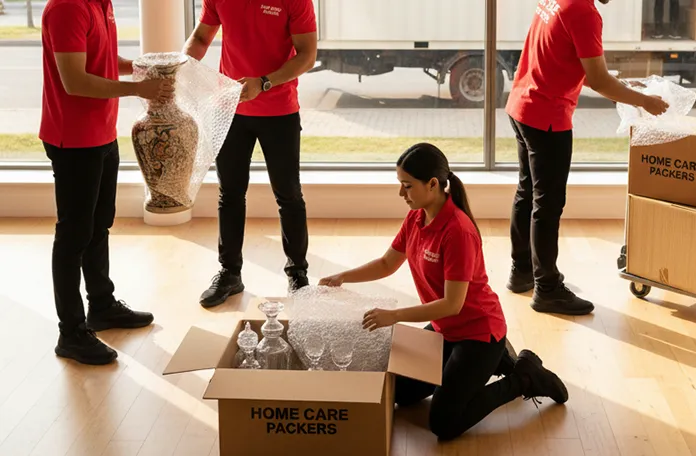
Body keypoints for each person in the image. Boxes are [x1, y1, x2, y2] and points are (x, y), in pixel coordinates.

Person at [319, 143, 568, 441]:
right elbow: (387, 263)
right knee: (401, 392)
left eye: (407, 186)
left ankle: (523, 378)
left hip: (476, 332)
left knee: (444, 423)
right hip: (445, 329)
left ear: (433, 184)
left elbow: (452, 304)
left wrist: (394, 316)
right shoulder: (417, 217)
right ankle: (499, 360)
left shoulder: (458, 231)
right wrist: (342, 277)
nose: (401, 193)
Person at [505, 0, 669, 316]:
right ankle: (547, 289)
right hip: (547, 117)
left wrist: (625, 87)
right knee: (547, 204)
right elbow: (599, 80)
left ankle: (522, 271)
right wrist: (644, 101)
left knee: (527, 193)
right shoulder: (584, 12)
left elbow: (578, 65)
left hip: (522, 105)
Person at [40, 0, 172, 365]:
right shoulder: (67, 8)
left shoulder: (100, 4)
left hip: (101, 134)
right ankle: (71, 333)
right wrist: (138, 89)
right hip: (73, 139)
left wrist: (138, 68)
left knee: (99, 225)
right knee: (74, 236)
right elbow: (75, 81)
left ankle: (101, 305)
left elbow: (100, 58)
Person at [184, 0, 318, 308]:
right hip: (229, 109)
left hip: (279, 110)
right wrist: (180, 68)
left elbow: (307, 55)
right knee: (230, 193)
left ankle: (298, 274)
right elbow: (201, 38)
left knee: (288, 194)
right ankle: (230, 273)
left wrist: (264, 82)